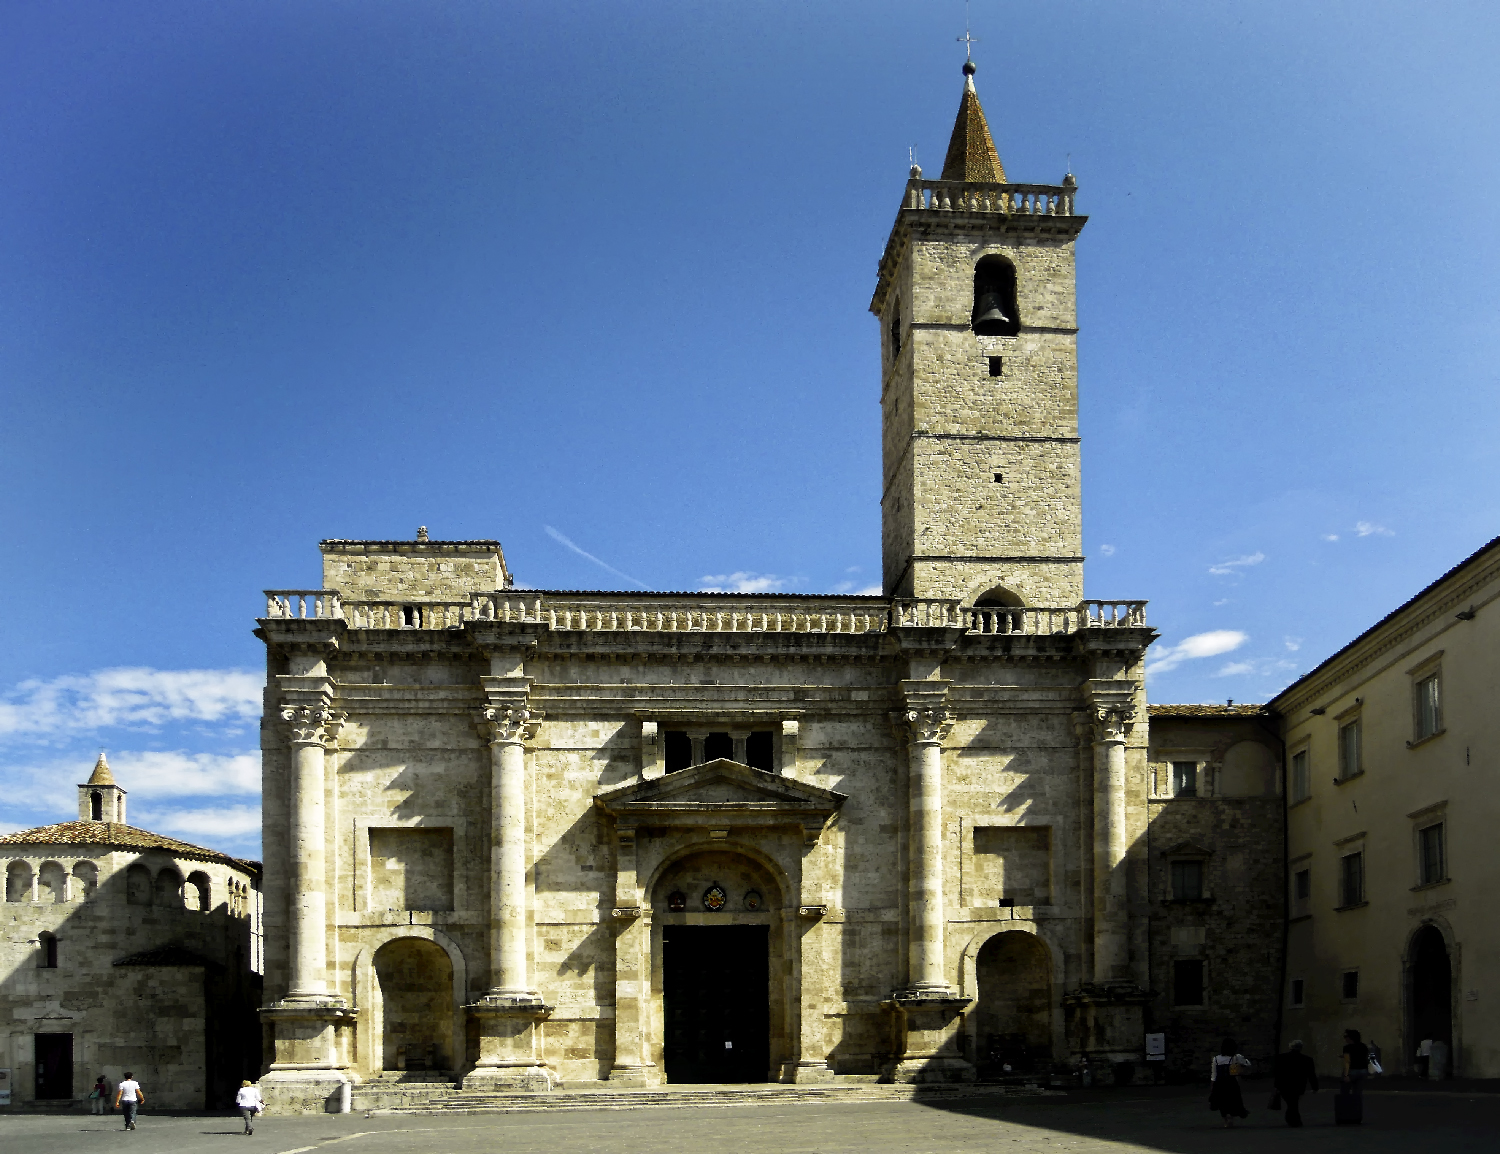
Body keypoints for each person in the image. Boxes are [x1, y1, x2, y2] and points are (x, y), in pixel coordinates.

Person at [1271, 1040, 1319, 1127]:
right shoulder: (1307, 1059)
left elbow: (1278, 1073)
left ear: (1290, 1047)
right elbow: (1311, 1074)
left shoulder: (1281, 1058)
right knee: (1293, 1102)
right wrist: (1315, 1086)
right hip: (1299, 1085)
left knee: (1291, 1103)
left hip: (1284, 1085)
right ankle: (1294, 1120)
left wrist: (1276, 1086)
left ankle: (1293, 1120)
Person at [1208, 1037, 1251, 1127]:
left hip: (1219, 1083)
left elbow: (1214, 1075)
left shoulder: (1216, 1059)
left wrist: (1212, 1086)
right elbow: (1247, 1064)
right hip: (1231, 1082)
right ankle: (1231, 1115)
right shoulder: (1235, 1057)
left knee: (1222, 1102)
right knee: (1232, 1100)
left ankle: (1225, 1118)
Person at [1339, 1029, 1369, 1124]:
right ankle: (1357, 1116)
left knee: (1345, 1094)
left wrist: (1346, 1075)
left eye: (1346, 1037)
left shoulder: (1347, 1048)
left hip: (1352, 1071)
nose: (1345, 1039)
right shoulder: (1363, 1046)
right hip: (1363, 1071)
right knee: (1358, 1094)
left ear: (1350, 1038)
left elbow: (1347, 1062)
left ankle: (1346, 1116)